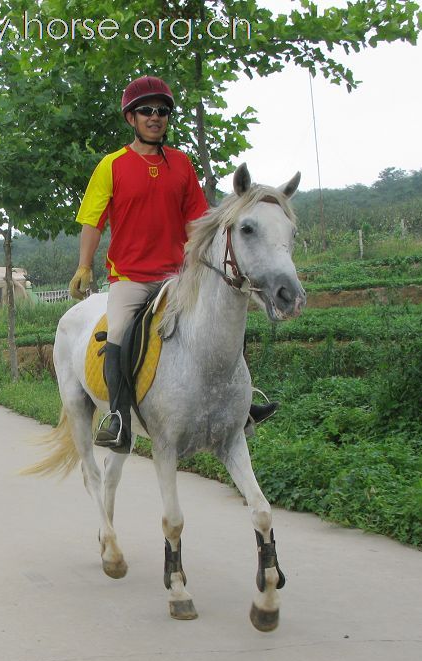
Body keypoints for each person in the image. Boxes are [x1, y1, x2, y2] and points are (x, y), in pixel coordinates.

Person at [69, 76, 277, 452]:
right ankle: (118, 418)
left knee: (223, 320)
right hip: (130, 278)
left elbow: (198, 221)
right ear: (131, 118)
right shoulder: (111, 166)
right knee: (118, 333)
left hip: (178, 275)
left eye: (162, 111)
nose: (155, 117)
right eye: (147, 111)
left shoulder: (181, 165)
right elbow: (92, 221)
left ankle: (242, 405)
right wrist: (85, 266)